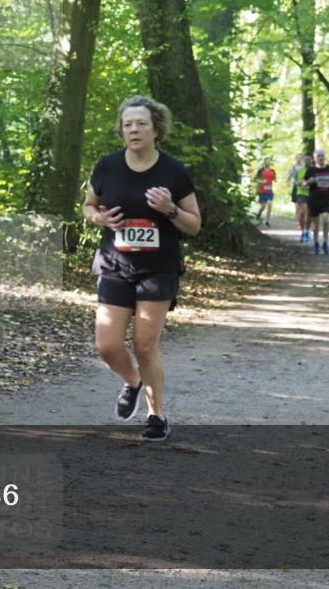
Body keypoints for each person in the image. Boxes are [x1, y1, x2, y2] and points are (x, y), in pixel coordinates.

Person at [82, 96, 201, 442]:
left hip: (158, 269)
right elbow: (88, 206)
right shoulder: (106, 167)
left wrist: (170, 210)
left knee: (145, 346)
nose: (133, 130)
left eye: (141, 124)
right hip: (115, 263)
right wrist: (99, 218)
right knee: (107, 345)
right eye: (128, 124)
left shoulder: (174, 171)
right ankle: (133, 380)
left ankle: (156, 414)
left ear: (156, 130)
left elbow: (194, 225)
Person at [303, 149, 329, 255]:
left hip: (326, 199)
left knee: (325, 219)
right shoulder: (311, 170)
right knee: (315, 223)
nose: (321, 158)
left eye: (322, 156)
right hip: (314, 199)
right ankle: (316, 243)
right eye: (318, 156)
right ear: (315, 158)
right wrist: (308, 182)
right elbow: (303, 183)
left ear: (324, 157)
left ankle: (325, 242)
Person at [288, 154, 311, 242]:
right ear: (303, 160)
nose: (307, 161)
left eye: (309, 159)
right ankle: (303, 231)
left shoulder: (314, 170)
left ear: (312, 160)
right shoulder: (298, 169)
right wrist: (299, 183)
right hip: (301, 193)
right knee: (302, 212)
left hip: (311, 194)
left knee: (309, 213)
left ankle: (307, 231)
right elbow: (293, 179)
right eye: (306, 159)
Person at [254, 158, 276, 227]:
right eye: (266, 161)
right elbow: (257, 180)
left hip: (270, 191)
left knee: (269, 204)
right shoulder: (261, 171)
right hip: (262, 191)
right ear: (264, 162)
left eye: (269, 161)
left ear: (270, 162)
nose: (268, 163)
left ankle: (267, 221)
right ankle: (259, 214)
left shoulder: (273, 171)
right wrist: (261, 184)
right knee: (263, 207)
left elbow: (273, 180)